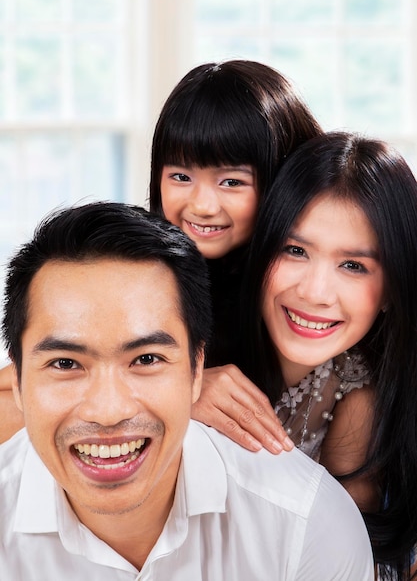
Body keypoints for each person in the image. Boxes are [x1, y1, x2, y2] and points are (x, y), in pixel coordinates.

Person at [0, 202, 374, 580]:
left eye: (146, 359)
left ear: (198, 370)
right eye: (65, 364)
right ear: (17, 380)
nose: (108, 410)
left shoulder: (306, 524)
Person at [226, 132, 417, 579]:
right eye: (295, 250)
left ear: (390, 289)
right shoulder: (190, 339)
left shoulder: (362, 398)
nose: (314, 292)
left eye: (353, 265)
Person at [150, 58, 322, 452]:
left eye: (231, 181)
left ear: (280, 180)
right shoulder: (137, 269)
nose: (202, 205)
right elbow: (20, 383)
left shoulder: (308, 292)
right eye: (180, 176)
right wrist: (183, 386)